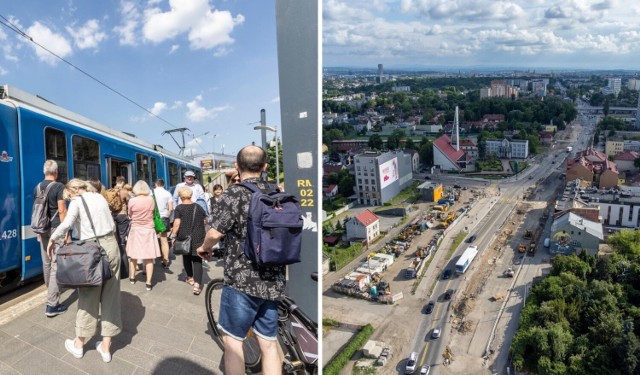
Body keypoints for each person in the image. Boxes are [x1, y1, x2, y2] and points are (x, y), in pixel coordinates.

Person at [197, 145, 285, 375]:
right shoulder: (276, 191)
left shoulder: (234, 193)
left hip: (242, 281)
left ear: (236, 166)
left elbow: (215, 233)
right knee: (268, 344)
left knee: (234, 343)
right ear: (265, 167)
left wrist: (204, 248)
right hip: (273, 279)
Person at [48, 179, 121, 363]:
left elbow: (67, 224)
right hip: (111, 247)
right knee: (111, 297)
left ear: (74, 190)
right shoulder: (100, 197)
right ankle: (105, 348)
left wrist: (52, 239)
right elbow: (112, 226)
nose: (70, 197)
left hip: (93, 251)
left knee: (88, 297)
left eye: (69, 194)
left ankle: (79, 345)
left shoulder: (78, 201)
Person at [34, 160, 68, 317]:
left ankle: (50, 290)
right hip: (55, 228)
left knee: (46, 262)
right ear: (56, 172)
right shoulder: (59, 186)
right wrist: (66, 232)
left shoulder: (38, 187)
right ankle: (52, 305)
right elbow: (62, 211)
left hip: (42, 228)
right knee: (55, 264)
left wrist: (38, 231)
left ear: (44, 172)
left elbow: (37, 210)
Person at [170, 188, 207, 295]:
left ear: (181, 197)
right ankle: (197, 285)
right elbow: (204, 221)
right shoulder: (198, 207)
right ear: (190, 195)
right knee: (197, 259)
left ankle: (190, 278)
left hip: (184, 236)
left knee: (186, 256)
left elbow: (176, 224)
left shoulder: (179, 208)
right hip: (198, 236)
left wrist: (173, 236)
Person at [126, 180, 161, 290]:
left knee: (133, 255)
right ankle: (148, 283)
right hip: (148, 230)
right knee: (149, 257)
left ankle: (132, 277)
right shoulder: (151, 200)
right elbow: (152, 212)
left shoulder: (132, 201)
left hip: (136, 229)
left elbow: (130, 214)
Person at [109, 176, 130, 279]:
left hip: (113, 216)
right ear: (122, 182)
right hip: (122, 216)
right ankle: (124, 267)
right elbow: (128, 202)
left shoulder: (110, 190)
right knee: (122, 241)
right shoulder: (124, 191)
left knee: (115, 239)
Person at [154, 179, 173, 269]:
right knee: (164, 240)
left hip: (154, 218)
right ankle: (165, 260)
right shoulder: (168, 193)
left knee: (152, 238)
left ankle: (152, 259)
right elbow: (171, 208)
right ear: (164, 185)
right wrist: (167, 216)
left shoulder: (152, 192)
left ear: (155, 184)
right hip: (164, 217)